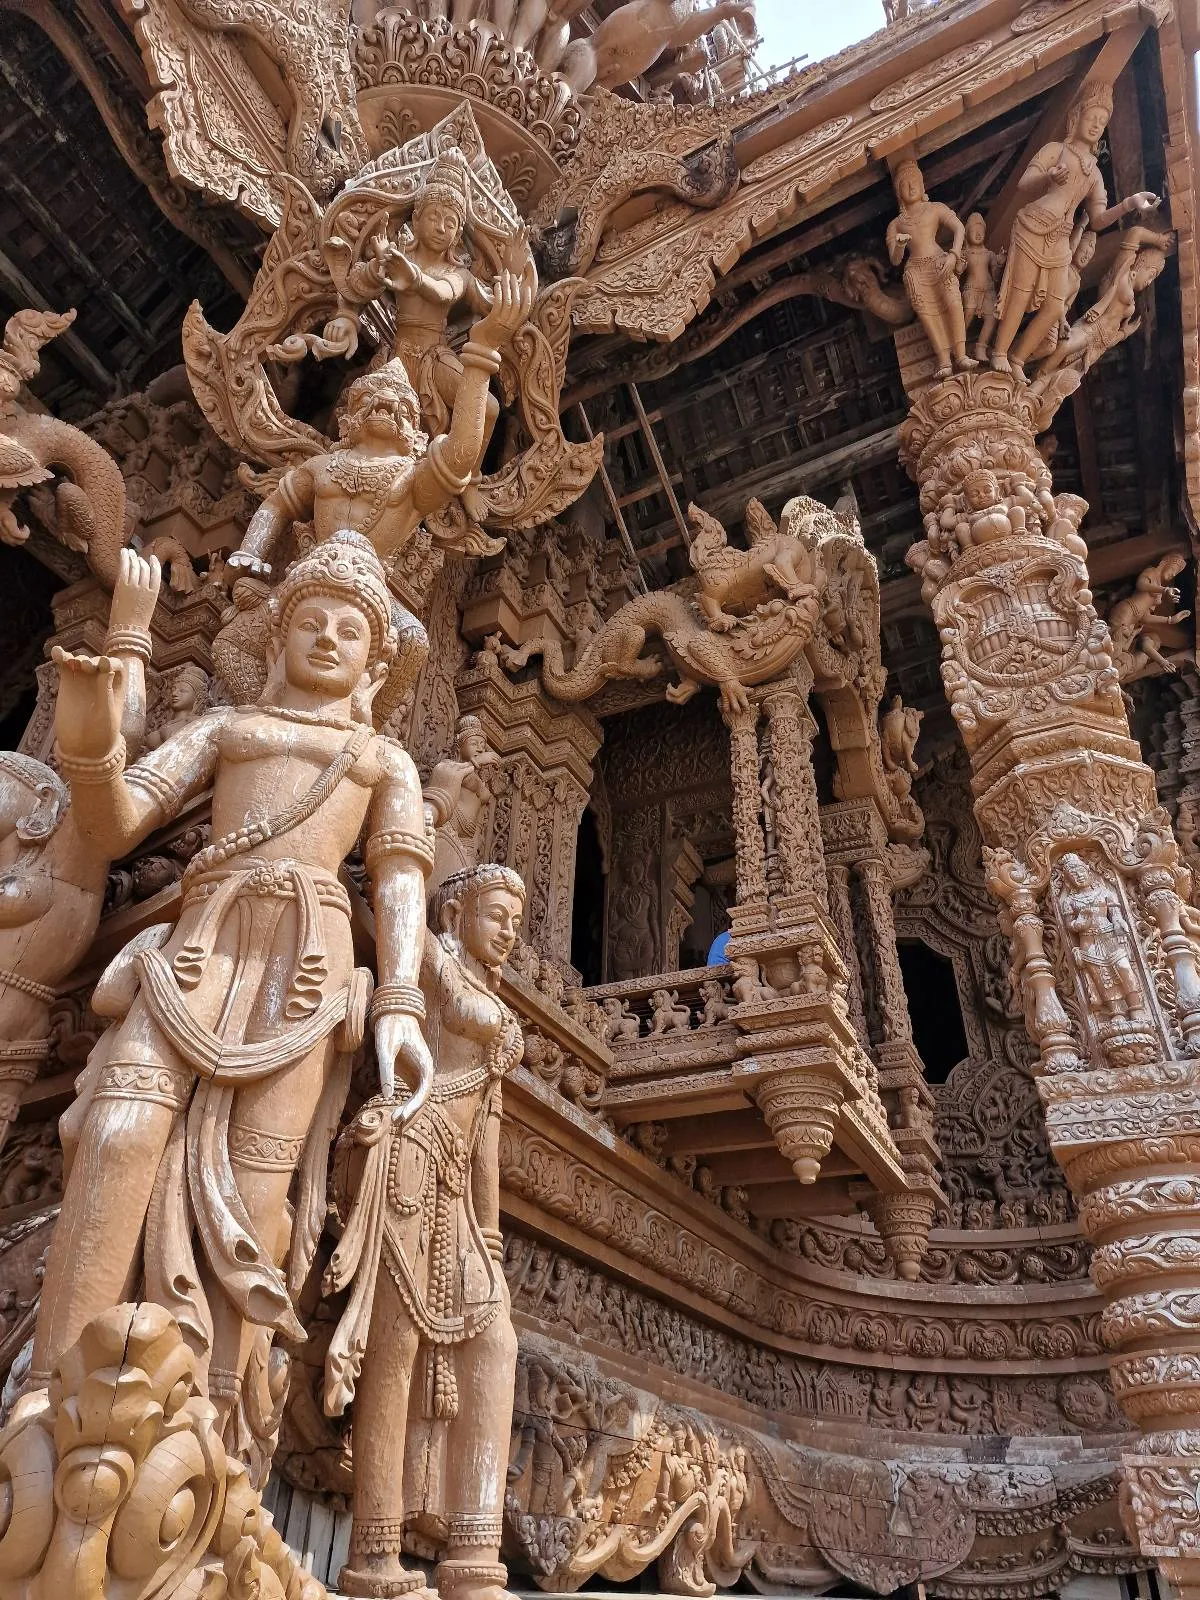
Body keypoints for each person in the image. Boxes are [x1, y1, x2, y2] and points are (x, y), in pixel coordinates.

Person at [33, 534, 432, 1430]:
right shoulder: (228, 730)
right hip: (198, 950)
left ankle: (202, 1427)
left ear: (374, 660)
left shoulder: (380, 762)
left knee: (257, 1191)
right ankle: (47, 1401)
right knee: (119, 1131)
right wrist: (115, 673)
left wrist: (400, 1003)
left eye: (350, 631)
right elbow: (114, 821)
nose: (329, 640)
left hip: (310, 961)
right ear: (278, 635)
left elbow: (401, 877)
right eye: (311, 622)